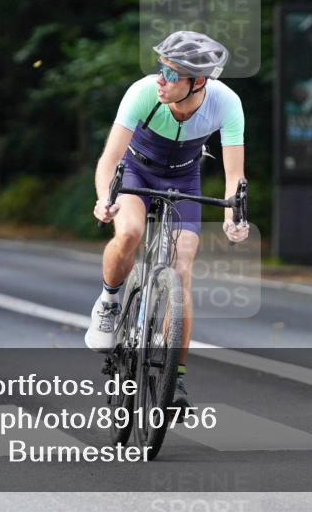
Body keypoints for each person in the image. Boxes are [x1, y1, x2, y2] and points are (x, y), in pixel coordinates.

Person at [89, 31, 250, 406]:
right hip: (135, 170)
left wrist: (234, 215)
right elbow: (109, 159)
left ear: (199, 83)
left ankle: (173, 381)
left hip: (183, 175)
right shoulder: (143, 92)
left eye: (172, 74)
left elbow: (234, 175)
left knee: (182, 270)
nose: (162, 78)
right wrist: (103, 199)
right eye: (162, 68)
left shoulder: (227, 103)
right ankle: (110, 301)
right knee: (129, 232)